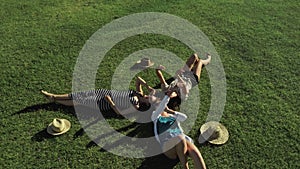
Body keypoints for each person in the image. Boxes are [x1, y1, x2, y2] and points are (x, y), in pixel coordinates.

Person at [41, 76, 159, 115]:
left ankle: (55, 100)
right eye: (150, 96)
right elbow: (138, 79)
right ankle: (54, 95)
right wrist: (148, 86)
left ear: (147, 104)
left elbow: (119, 113)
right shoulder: (138, 93)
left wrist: (110, 102)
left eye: (150, 100)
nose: (148, 97)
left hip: (103, 103)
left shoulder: (136, 106)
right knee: (77, 94)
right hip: (102, 92)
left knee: (79, 101)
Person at [151, 90, 207, 169]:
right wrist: (167, 96)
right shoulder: (155, 116)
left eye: (159, 103)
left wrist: (170, 111)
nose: (159, 106)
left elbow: (184, 118)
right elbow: (160, 108)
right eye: (156, 104)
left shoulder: (172, 115)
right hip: (168, 147)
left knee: (197, 155)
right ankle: (185, 167)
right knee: (179, 137)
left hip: (182, 143)